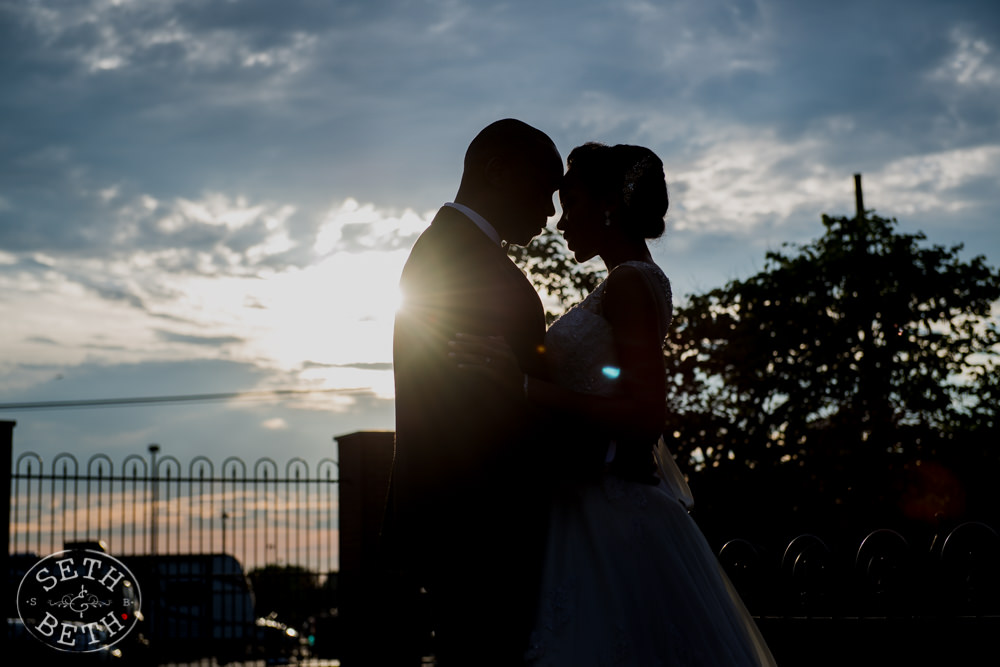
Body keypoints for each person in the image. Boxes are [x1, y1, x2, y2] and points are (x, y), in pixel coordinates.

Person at [450, 143, 777, 665]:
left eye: (572, 202)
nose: (559, 221)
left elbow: (645, 414)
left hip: (609, 512)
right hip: (587, 498)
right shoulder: (626, 283)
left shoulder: (629, 284)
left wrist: (522, 388)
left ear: (608, 207)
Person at [388, 119, 572, 665]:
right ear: (497, 170)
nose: (549, 213)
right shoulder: (466, 262)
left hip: (466, 531)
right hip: (483, 537)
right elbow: (477, 414)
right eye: (544, 189)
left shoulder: (455, 250)